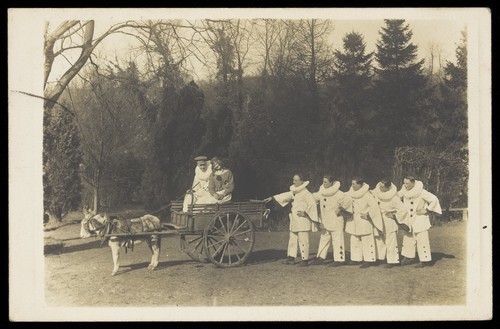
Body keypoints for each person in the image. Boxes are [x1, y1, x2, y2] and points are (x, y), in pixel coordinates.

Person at [263, 173, 319, 267]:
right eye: (293, 180)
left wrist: (305, 213)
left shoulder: (306, 193)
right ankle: (291, 258)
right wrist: (272, 198)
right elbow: (285, 195)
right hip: (295, 220)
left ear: (302, 181)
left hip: (303, 220)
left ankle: (305, 260)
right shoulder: (295, 192)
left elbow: (313, 205)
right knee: (293, 238)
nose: (294, 182)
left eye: (296, 180)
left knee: (303, 240)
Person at [398, 176, 442, 268]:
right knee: (408, 239)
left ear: (413, 183)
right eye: (404, 183)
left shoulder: (421, 191)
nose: (405, 185)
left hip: (420, 219)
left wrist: (427, 210)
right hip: (408, 220)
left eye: (407, 183)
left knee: (422, 240)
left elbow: (434, 199)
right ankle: (408, 257)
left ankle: (425, 260)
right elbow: (395, 197)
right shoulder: (404, 191)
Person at [308, 175, 352, 267]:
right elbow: (312, 198)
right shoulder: (321, 192)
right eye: (323, 181)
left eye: (326, 182)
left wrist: (341, 209)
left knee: (337, 239)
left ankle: (339, 259)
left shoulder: (339, 193)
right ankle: (320, 257)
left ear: (331, 182)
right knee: (324, 238)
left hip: (336, 220)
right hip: (325, 220)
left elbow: (348, 202)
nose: (324, 183)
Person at [344, 177, 384, 268]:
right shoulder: (350, 193)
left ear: (360, 185)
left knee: (367, 240)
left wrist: (369, 216)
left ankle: (369, 260)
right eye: (352, 184)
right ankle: (356, 258)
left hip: (364, 221)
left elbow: (374, 207)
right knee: (354, 239)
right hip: (353, 220)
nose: (352, 185)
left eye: (354, 184)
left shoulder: (367, 195)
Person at [371, 180, 410, 268]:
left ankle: (392, 260)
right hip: (378, 219)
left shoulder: (394, 198)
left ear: (388, 188)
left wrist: (394, 215)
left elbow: (403, 210)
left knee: (390, 240)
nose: (380, 188)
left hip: (389, 221)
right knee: (379, 239)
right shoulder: (376, 192)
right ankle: (381, 258)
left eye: (382, 187)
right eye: (379, 186)